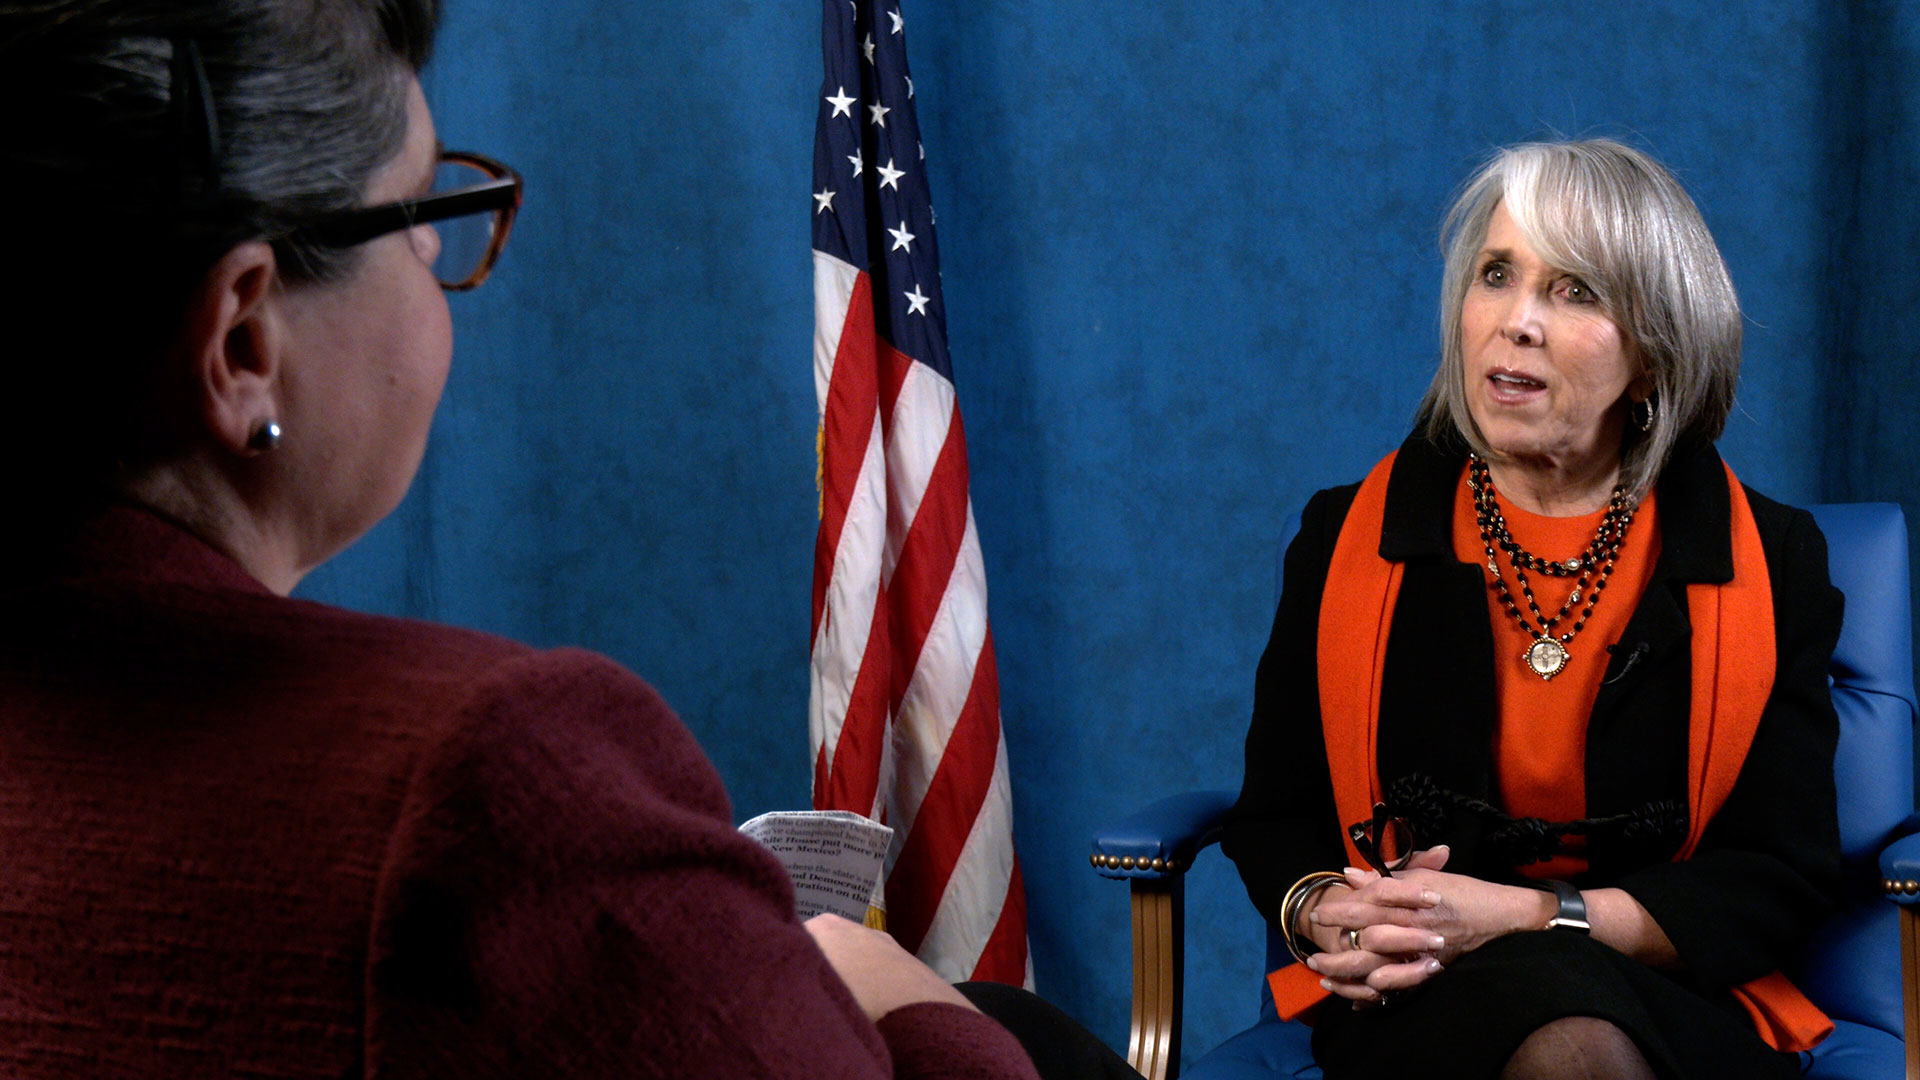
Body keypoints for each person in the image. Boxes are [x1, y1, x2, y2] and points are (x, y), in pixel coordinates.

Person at [0, 3, 1135, 1078]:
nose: (444, 271)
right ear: (244, 336)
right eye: (421, 225)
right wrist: (899, 1000)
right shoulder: (488, 780)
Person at [1221, 140, 1842, 1080]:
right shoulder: (1344, 536)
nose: (1517, 323)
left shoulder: (1776, 560)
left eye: (1576, 291)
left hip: (1666, 986)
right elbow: (1277, 817)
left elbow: (1774, 877)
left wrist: (1526, 918)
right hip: (1416, 990)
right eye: (1496, 275)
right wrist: (1326, 910)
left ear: (1653, 357)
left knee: (1576, 1035)